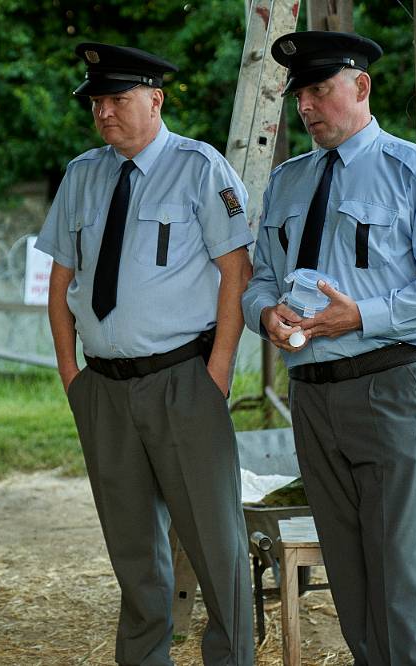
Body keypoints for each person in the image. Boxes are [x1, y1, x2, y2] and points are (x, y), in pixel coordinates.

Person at [241, 31, 416, 665]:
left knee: (394, 564)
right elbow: (261, 275)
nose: (308, 107)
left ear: (361, 86)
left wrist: (362, 317)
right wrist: (264, 313)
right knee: (344, 565)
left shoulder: (414, 170)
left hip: (386, 385)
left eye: (320, 90)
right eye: (301, 96)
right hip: (311, 395)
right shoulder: (290, 182)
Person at [34, 42, 254, 665]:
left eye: (117, 99)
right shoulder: (83, 174)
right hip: (104, 388)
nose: (104, 112)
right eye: (97, 101)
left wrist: (217, 374)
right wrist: (72, 374)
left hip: (183, 380)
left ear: (155, 99)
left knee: (216, 546)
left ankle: (233, 657)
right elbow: (60, 282)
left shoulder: (200, 167)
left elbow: (236, 273)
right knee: (133, 551)